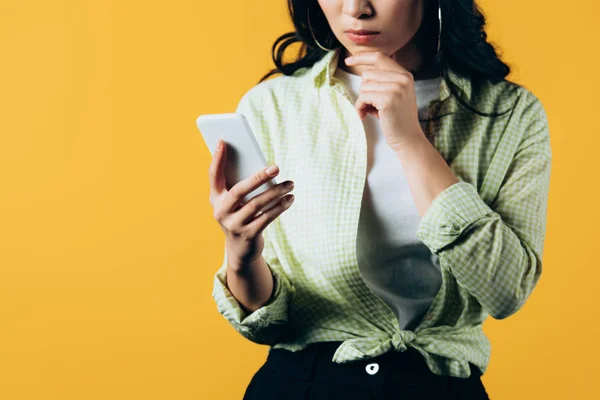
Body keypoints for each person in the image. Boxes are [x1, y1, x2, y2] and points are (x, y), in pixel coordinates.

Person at [208, 0, 552, 398]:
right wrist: (242, 252)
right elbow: (268, 324)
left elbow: (507, 291)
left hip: (440, 385)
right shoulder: (272, 106)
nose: (356, 8)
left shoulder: (509, 113)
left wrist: (409, 141)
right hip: (303, 384)